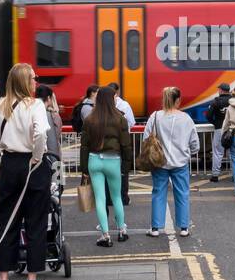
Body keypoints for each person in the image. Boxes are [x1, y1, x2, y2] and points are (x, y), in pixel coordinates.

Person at [0, 63, 51, 280]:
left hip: (9, 164)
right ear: (25, 81)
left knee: (7, 222)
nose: (36, 82)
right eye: (33, 78)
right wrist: (37, 157)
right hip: (33, 166)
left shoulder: (0, 104)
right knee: (36, 222)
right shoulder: (36, 105)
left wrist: (6, 147)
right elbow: (41, 135)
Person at [143, 87, 199, 237]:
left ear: (164, 99)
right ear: (178, 100)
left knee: (158, 193)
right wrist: (188, 152)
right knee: (182, 194)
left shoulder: (155, 116)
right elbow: (195, 144)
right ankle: (184, 228)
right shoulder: (186, 118)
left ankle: (155, 228)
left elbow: (146, 138)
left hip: (159, 163)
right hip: (180, 162)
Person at [81, 86, 132, 247]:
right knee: (117, 197)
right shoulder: (120, 119)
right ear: (112, 99)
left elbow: (84, 146)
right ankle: (122, 231)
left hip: (94, 160)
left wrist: (84, 170)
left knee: (100, 199)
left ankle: (105, 235)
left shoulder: (90, 119)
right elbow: (126, 145)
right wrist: (126, 166)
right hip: (114, 161)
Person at [106, 82, 135, 209]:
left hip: (106, 146)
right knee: (122, 172)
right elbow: (132, 123)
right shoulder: (124, 105)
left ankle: (109, 199)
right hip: (122, 143)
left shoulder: (102, 107)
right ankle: (123, 198)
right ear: (117, 92)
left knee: (108, 173)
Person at [205, 83, 233, 182]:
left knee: (217, 152)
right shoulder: (234, 101)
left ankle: (215, 175)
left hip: (219, 129)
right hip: (232, 129)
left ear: (221, 90)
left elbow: (208, 115)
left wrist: (215, 123)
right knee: (232, 152)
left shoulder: (216, 101)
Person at [36, 84, 63, 159]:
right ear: (48, 98)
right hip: (49, 155)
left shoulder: (31, 111)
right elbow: (55, 136)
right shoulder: (52, 116)